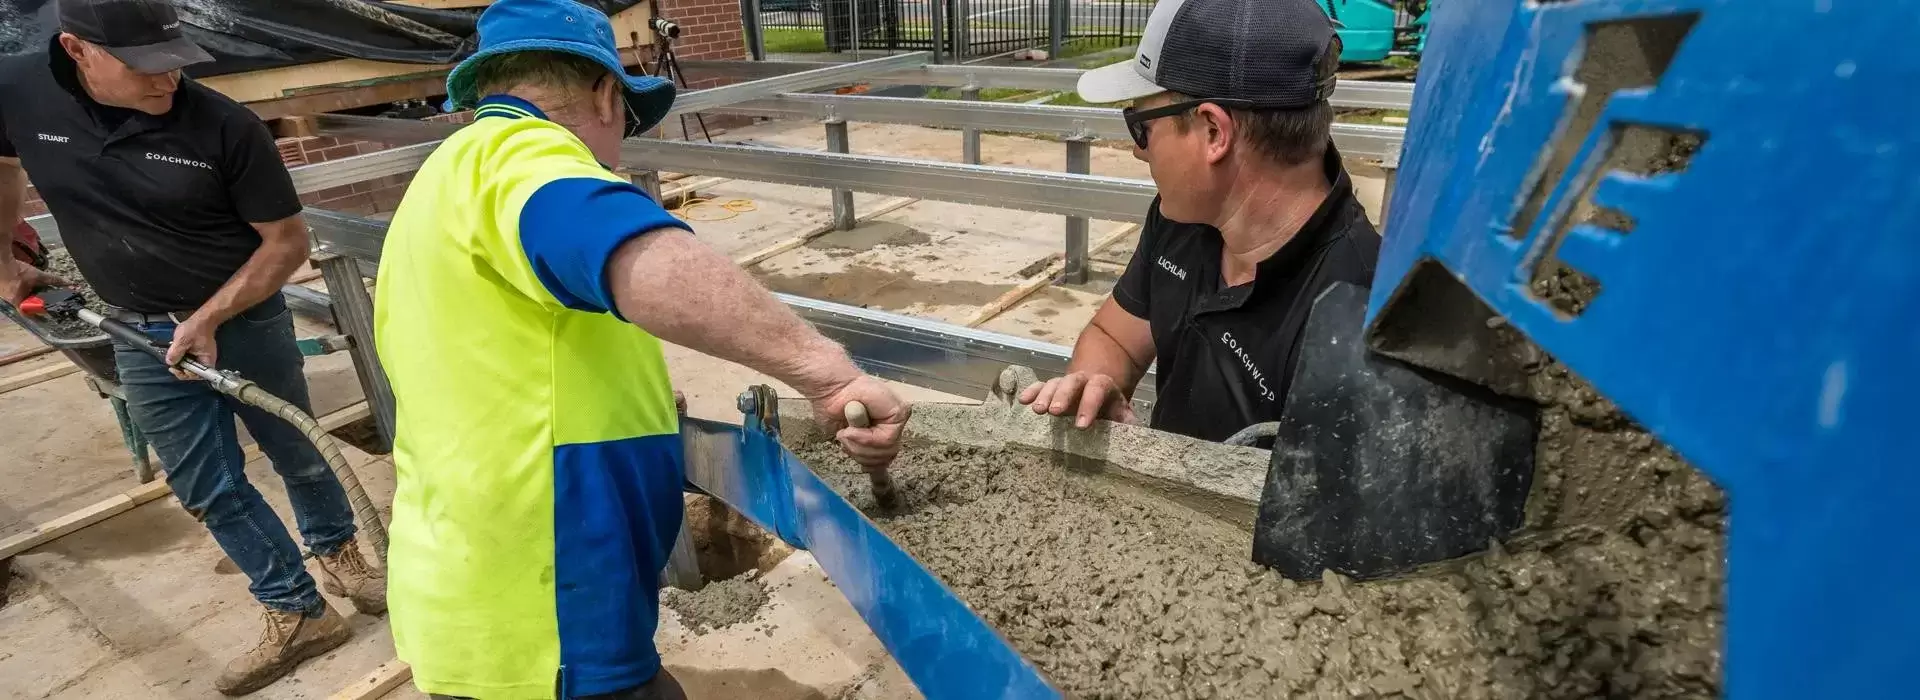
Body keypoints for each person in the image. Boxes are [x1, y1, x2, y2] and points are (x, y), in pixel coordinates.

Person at [371, 0, 910, 697]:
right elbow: (632, 254)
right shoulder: (523, 157)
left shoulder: (443, 180)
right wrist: (829, 375)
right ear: (605, 93)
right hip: (547, 599)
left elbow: (517, 350)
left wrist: (639, 394)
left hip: (470, 579)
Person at [0, 0, 384, 694]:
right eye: (143, 66)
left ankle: (341, 552)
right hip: (136, 324)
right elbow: (3, 163)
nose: (166, 80)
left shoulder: (224, 125)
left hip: (243, 316)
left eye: (174, 59)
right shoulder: (19, 89)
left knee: (295, 448)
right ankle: (296, 609)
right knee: (205, 483)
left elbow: (287, 242)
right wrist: (5, 258)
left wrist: (209, 316)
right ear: (76, 50)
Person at [1017, 0, 1383, 443]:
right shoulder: (1185, 217)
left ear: (1214, 132)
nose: (1139, 149)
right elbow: (1113, 337)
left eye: (1141, 124)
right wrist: (1093, 387)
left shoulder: (1355, 315)